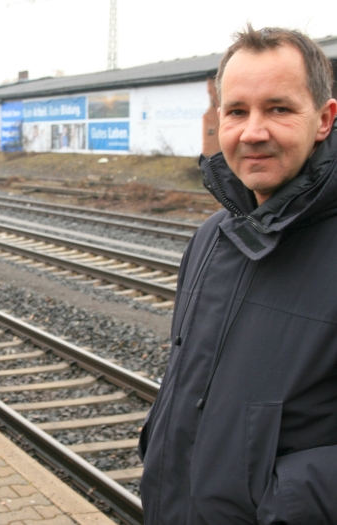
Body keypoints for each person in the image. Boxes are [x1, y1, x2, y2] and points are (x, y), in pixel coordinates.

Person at [139, 25, 337, 524]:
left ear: (324, 119)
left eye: (279, 109)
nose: (253, 132)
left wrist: (285, 503)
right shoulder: (213, 236)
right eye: (237, 111)